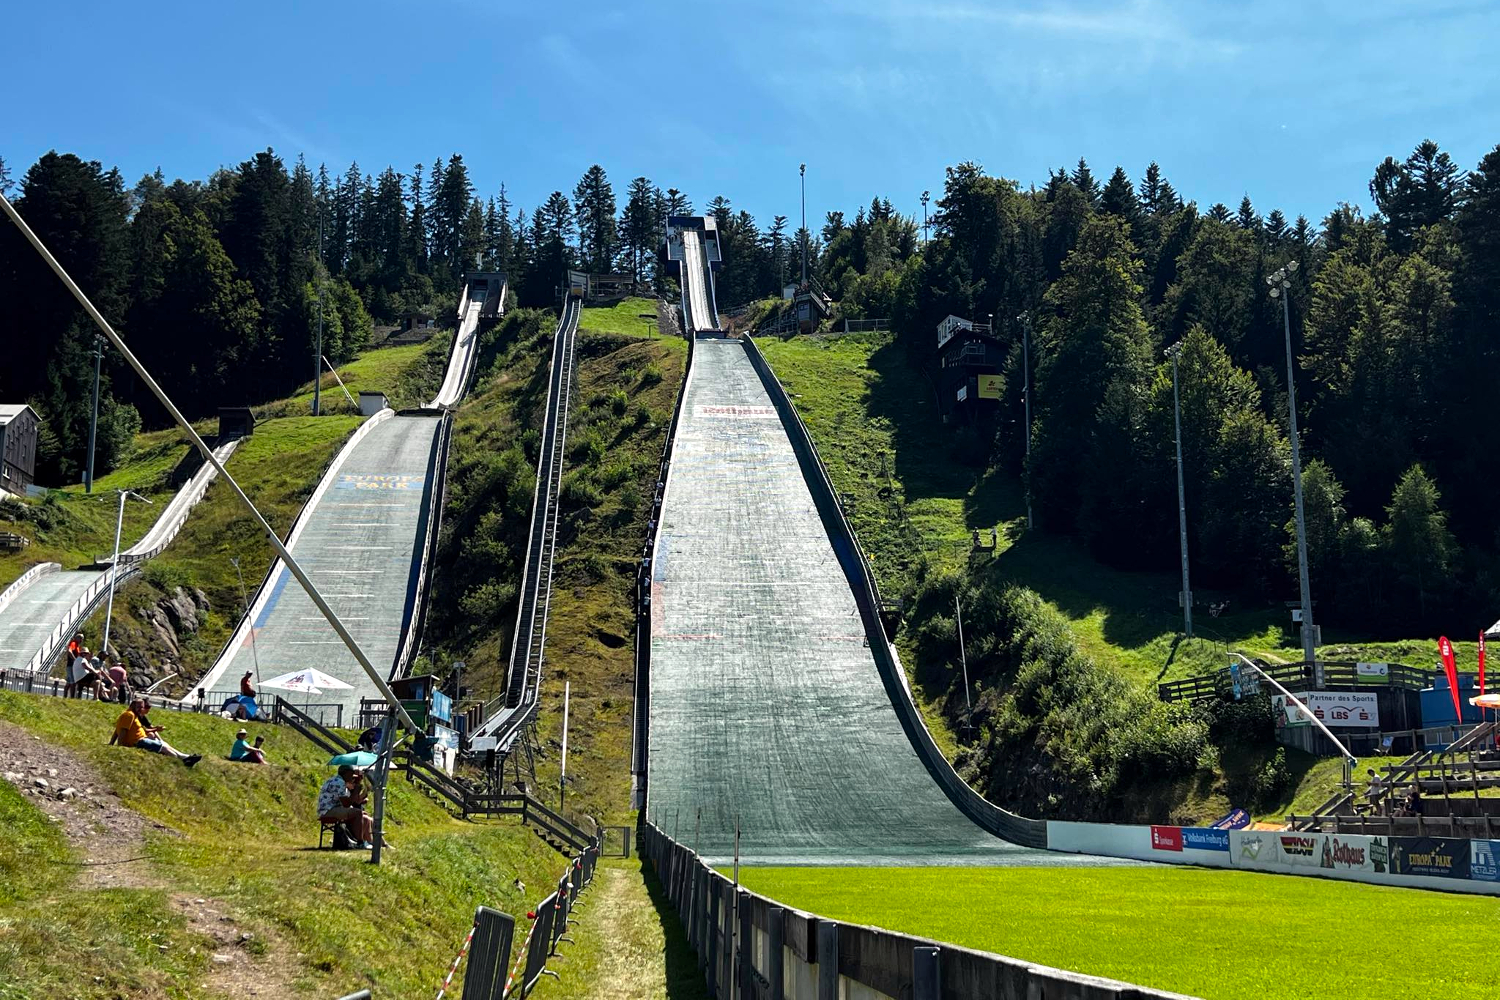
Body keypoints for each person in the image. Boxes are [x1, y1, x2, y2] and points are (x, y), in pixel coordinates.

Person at [109, 698, 201, 767]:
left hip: (141, 739)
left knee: (163, 744)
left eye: (142, 707)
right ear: (132, 705)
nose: (140, 709)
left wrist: (111, 743)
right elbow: (122, 731)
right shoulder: (129, 715)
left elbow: (117, 730)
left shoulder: (133, 715)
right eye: (138, 707)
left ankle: (185, 758)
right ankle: (181, 763)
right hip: (138, 741)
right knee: (165, 749)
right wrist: (120, 747)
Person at [317, 765, 373, 848]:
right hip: (329, 810)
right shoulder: (339, 783)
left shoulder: (338, 781)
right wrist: (356, 791)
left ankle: (367, 842)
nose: (352, 777)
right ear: (346, 773)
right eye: (352, 774)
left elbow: (352, 801)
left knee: (363, 815)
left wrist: (364, 791)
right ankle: (360, 842)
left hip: (333, 808)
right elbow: (346, 804)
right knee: (358, 813)